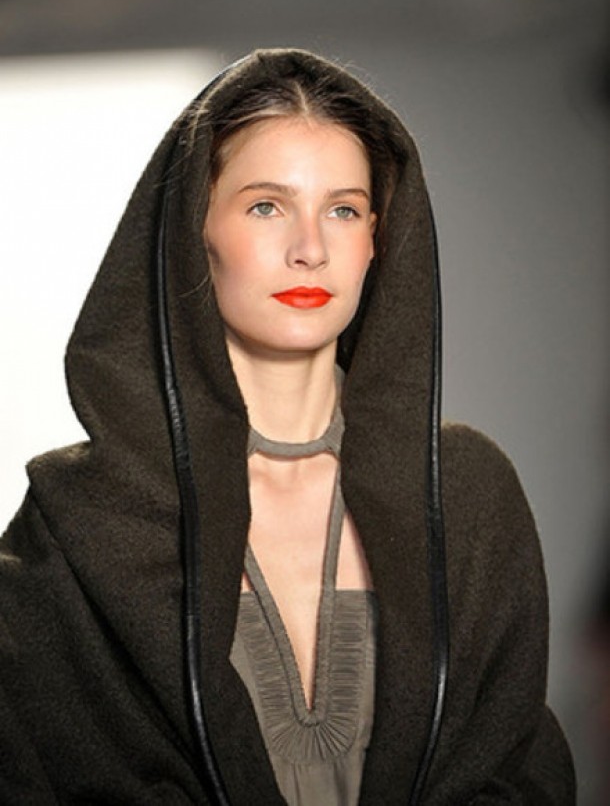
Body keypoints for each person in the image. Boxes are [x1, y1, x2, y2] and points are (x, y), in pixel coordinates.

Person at [0, 48, 575, 804]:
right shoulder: (85, 514)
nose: (311, 249)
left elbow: (519, 768)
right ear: (193, 230)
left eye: (343, 209)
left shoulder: (465, 493)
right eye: (266, 206)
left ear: (377, 238)